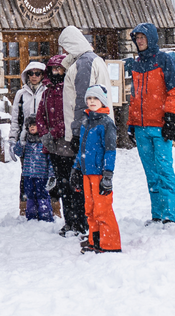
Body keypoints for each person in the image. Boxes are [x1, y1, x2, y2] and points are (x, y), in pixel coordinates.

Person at [58, 25, 114, 234]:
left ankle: (88, 224)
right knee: (88, 178)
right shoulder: (90, 60)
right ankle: (91, 224)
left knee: (87, 178)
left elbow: (83, 100)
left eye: (65, 47)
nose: (63, 52)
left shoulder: (84, 63)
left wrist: (76, 132)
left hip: (89, 130)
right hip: (94, 128)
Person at [127, 22, 175, 226]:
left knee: (164, 170)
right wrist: (131, 123)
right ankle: (157, 214)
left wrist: (170, 118)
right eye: (137, 38)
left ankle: (170, 216)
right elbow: (134, 97)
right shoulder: (136, 64)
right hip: (141, 128)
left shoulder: (164, 60)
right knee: (150, 173)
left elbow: (174, 91)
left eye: (142, 37)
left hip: (160, 126)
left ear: (151, 38)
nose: (139, 41)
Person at [36, 54, 87, 236]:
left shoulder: (70, 89)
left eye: (59, 69)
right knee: (63, 186)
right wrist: (44, 134)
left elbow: (71, 116)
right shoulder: (47, 91)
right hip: (54, 146)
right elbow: (40, 115)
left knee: (76, 186)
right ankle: (69, 221)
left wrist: (54, 132)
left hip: (70, 143)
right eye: (54, 69)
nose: (56, 72)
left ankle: (81, 222)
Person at [70, 85, 121, 254]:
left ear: (102, 101)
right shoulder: (86, 122)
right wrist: (76, 168)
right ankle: (95, 241)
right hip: (86, 173)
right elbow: (82, 149)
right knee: (90, 209)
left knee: (103, 210)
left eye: (95, 99)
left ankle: (111, 244)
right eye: (89, 99)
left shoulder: (107, 124)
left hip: (99, 174)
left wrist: (108, 174)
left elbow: (110, 150)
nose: (92, 102)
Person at [8, 59, 48, 214]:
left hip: (44, 139)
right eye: (31, 73)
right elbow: (15, 117)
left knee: (46, 173)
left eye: (38, 73)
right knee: (27, 173)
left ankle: (49, 206)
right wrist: (13, 139)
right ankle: (25, 207)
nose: (34, 76)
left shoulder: (47, 91)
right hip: (27, 140)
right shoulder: (21, 94)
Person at [15, 103, 56, 222]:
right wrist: (20, 141)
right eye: (30, 126)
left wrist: (51, 175)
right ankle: (31, 216)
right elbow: (18, 152)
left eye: (35, 125)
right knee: (30, 196)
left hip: (41, 175)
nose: (32, 127)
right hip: (28, 174)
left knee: (42, 195)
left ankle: (45, 216)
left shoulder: (44, 142)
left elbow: (50, 160)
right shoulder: (27, 142)